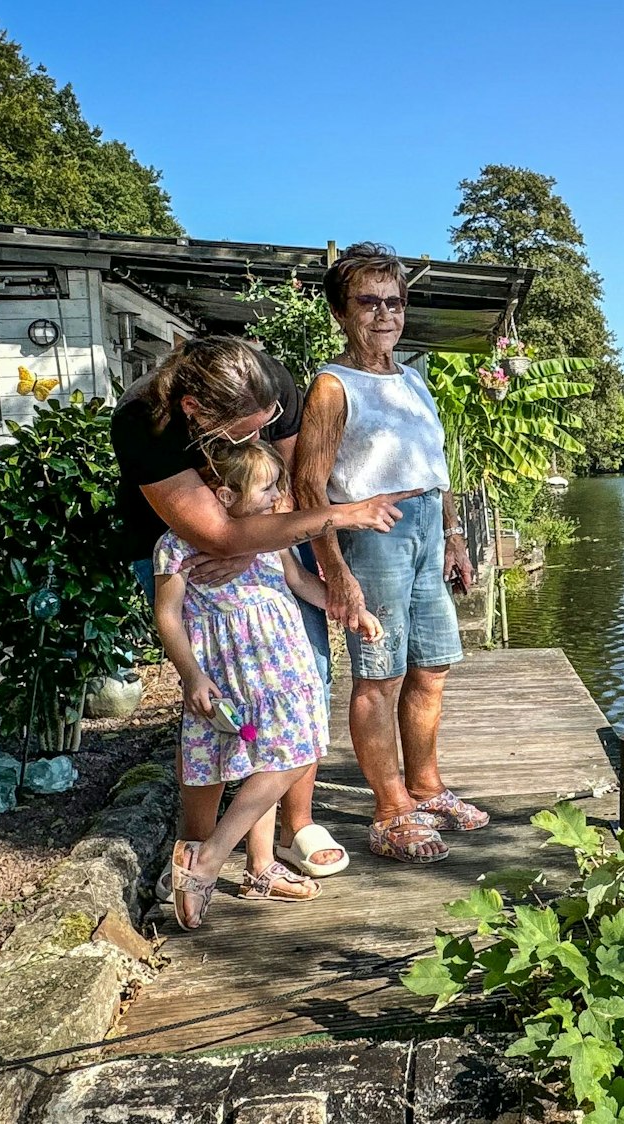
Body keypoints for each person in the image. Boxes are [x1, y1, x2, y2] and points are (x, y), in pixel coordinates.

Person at [112, 335, 419, 881]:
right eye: (246, 430)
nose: (260, 435)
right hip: (182, 558)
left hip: (267, 545)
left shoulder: (269, 381)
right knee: (215, 719)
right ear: (195, 412)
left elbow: (289, 487)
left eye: (267, 422)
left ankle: (290, 832)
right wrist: (245, 539)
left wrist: (272, 551)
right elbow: (214, 536)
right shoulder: (146, 420)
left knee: (302, 691)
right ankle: (196, 850)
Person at [293, 243, 486, 864]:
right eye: (368, 302)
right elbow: (307, 486)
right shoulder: (331, 386)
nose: (385, 314)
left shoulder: (415, 379)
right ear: (340, 311)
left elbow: (435, 468)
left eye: (395, 302)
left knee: (432, 666)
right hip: (372, 532)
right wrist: (336, 570)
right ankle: (390, 806)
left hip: (427, 525)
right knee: (380, 673)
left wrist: (454, 536)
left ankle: (426, 787)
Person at [153, 441, 382, 927]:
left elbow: (301, 583)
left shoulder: (271, 538)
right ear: (224, 496)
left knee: (279, 758)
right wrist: (190, 673)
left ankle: (259, 868)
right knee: (285, 757)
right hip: (231, 677)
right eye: (268, 487)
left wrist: (349, 611)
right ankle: (209, 856)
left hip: (285, 676)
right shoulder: (175, 546)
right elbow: (167, 616)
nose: (279, 496)